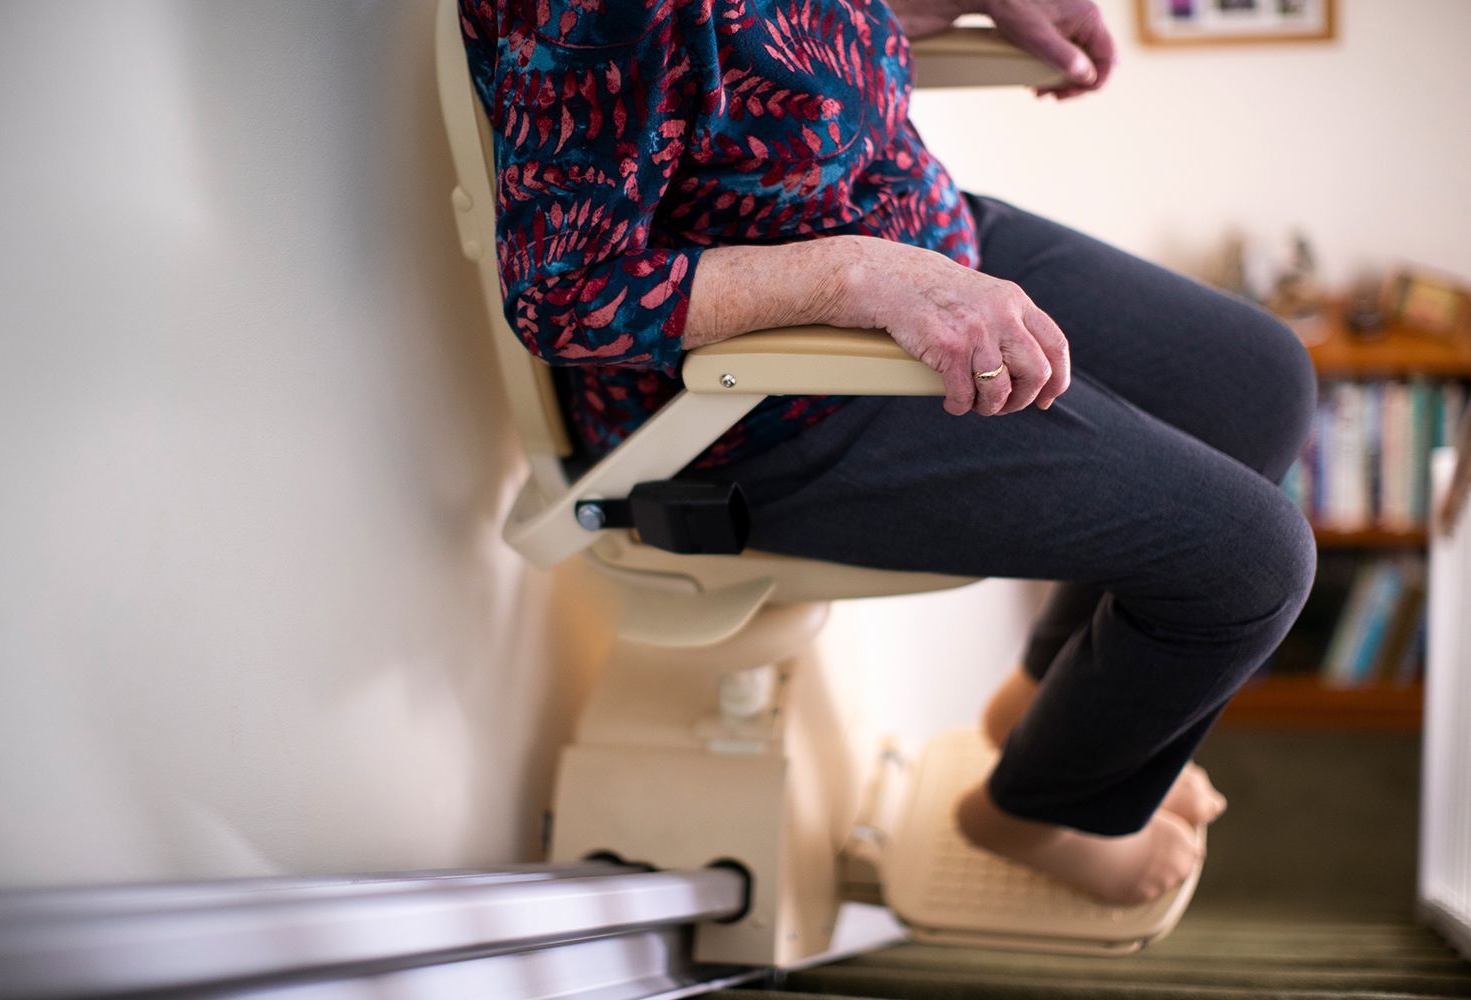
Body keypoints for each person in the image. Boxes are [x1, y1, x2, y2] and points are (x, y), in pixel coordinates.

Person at [459, 0, 1317, 905]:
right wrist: (856, 276)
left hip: (913, 227)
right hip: (767, 395)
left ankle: (1043, 711)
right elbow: (565, 297)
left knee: (1259, 383)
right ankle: (1030, 812)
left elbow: (747, 47)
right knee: (1252, 565)